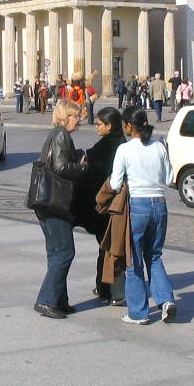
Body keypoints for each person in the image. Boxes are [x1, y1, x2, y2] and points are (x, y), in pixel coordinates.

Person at [109, 105, 176, 325]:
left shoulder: (125, 150)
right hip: (160, 204)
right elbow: (169, 178)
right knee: (154, 256)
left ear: (128, 125)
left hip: (137, 205)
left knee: (133, 260)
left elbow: (115, 183)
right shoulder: (158, 146)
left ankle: (138, 312)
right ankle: (165, 300)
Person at [32, 98, 89, 319]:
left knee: (55, 252)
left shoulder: (55, 135)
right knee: (65, 251)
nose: (80, 120)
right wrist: (81, 166)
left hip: (46, 202)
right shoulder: (61, 135)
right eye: (76, 116)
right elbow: (61, 167)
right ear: (66, 117)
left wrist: (74, 156)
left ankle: (59, 300)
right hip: (55, 202)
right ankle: (46, 300)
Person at [76, 106, 127, 306]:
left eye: (99, 124)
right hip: (118, 205)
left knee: (108, 248)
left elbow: (93, 175)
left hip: (106, 205)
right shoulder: (122, 144)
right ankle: (106, 287)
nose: (96, 127)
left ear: (109, 125)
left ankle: (111, 290)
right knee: (110, 247)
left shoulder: (105, 148)